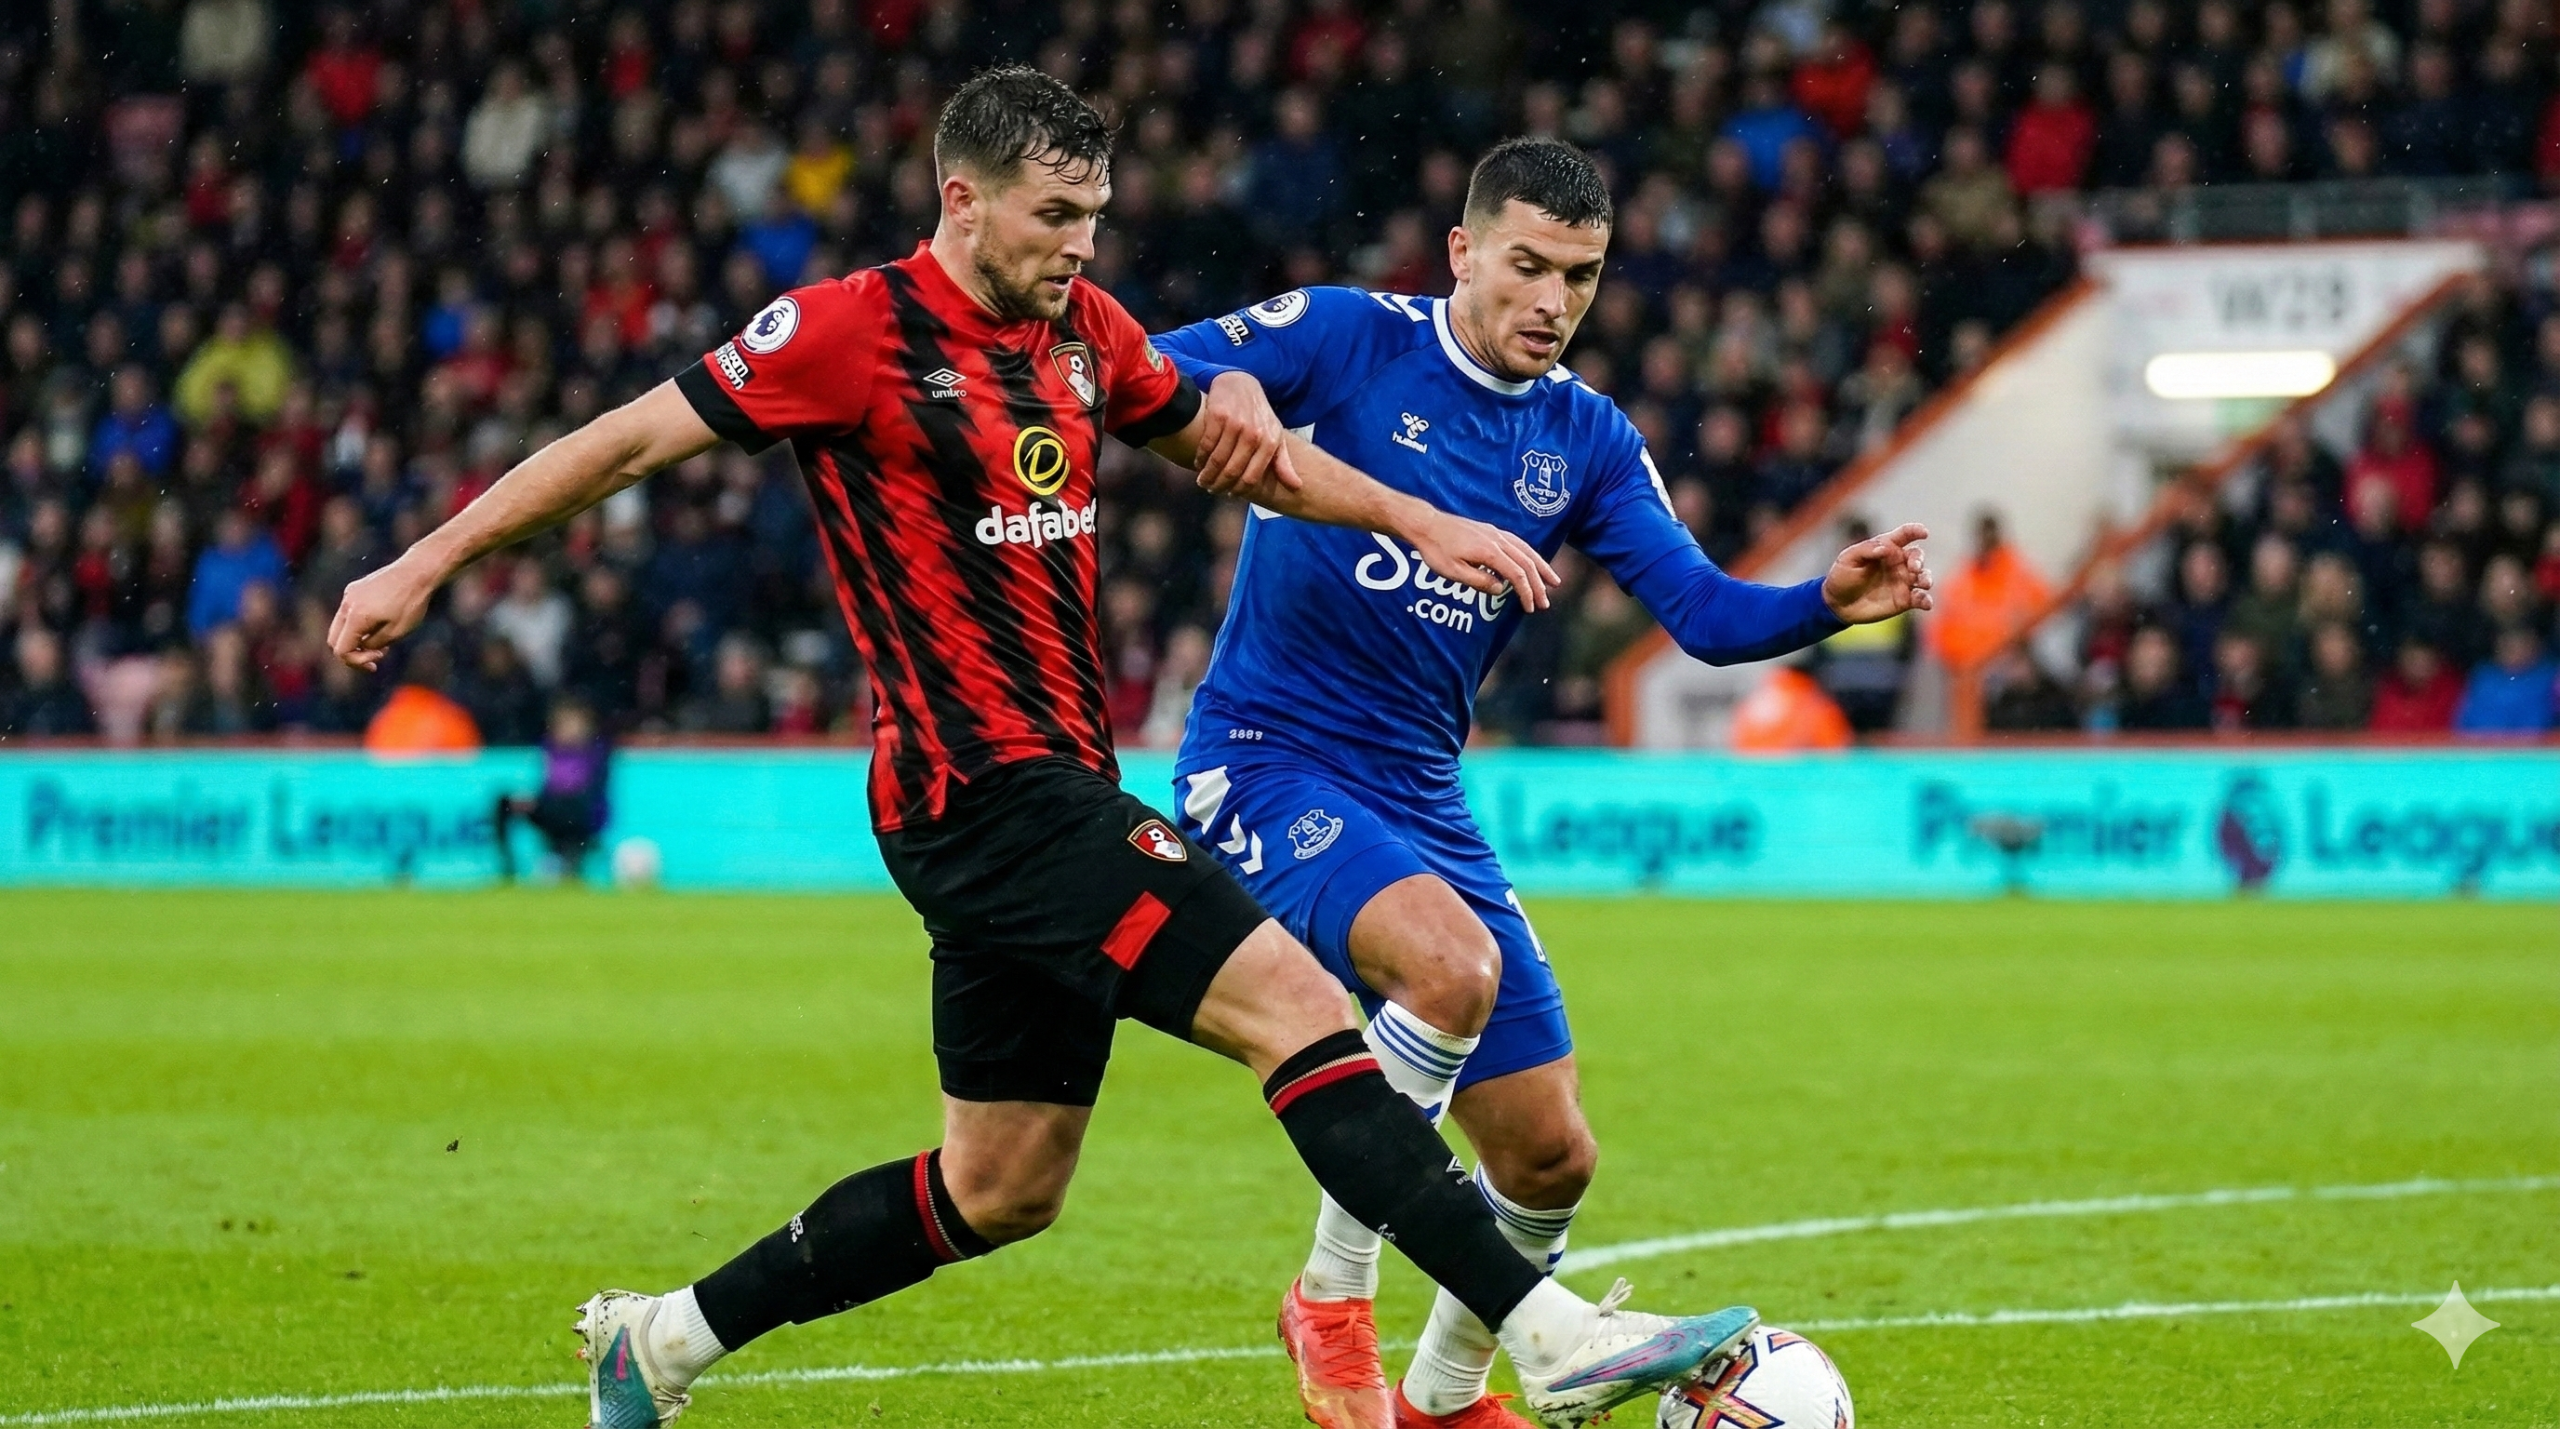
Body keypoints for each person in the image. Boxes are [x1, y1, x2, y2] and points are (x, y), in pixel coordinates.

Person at [328, 69, 1749, 1429]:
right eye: (1054, 218)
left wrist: (1417, 518)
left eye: (1096, 217)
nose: (1083, 246)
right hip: (979, 794)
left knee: (999, 1187)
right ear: (963, 200)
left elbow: (1232, 449)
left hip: (1052, 789)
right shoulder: (845, 334)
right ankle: (1550, 1332)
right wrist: (424, 562)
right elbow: (629, 443)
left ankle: (666, 1336)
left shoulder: (1080, 335)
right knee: (1299, 1012)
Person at [1151, 138, 1932, 1429]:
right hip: (1265, 757)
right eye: (1526, 266)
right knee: (1451, 974)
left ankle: (1448, 1398)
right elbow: (1142, 370)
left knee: (1551, 1151)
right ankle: (1330, 1297)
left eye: (1580, 276)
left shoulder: (1585, 435)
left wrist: (1823, 605)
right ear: (1462, 252)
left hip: (1420, 791)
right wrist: (1231, 376)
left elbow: (1704, 613)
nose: (1552, 302)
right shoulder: (1347, 337)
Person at [495, 696, 612, 882]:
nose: (566, 730)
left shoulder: (597, 753)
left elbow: (590, 795)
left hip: (582, 815)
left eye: (572, 724)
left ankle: (571, 859)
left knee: (570, 809)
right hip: (551, 809)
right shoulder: (548, 749)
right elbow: (548, 787)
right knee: (504, 802)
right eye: (562, 724)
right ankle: (507, 868)